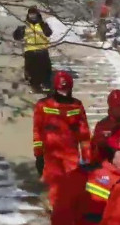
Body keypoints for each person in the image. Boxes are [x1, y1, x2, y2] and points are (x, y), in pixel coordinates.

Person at [33, 71, 91, 207]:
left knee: (73, 185)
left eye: (66, 89)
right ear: (55, 88)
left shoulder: (77, 106)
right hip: (51, 153)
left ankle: (69, 214)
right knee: (55, 185)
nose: (64, 92)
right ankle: (57, 214)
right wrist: (39, 155)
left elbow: (84, 134)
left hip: (71, 154)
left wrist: (88, 158)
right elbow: (37, 131)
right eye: (61, 89)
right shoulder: (43, 105)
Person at [12, 6, 53, 93]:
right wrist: (19, 31)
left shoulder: (43, 25)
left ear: (38, 14)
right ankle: (34, 86)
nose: (33, 16)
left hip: (42, 50)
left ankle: (46, 84)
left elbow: (49, 33)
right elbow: (16, 37)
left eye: (34, 14)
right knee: (31, 70)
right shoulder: (25, 26)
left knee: (45, 69)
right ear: (28, 15)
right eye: (31, 14)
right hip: (30, 50)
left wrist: (43, 26)